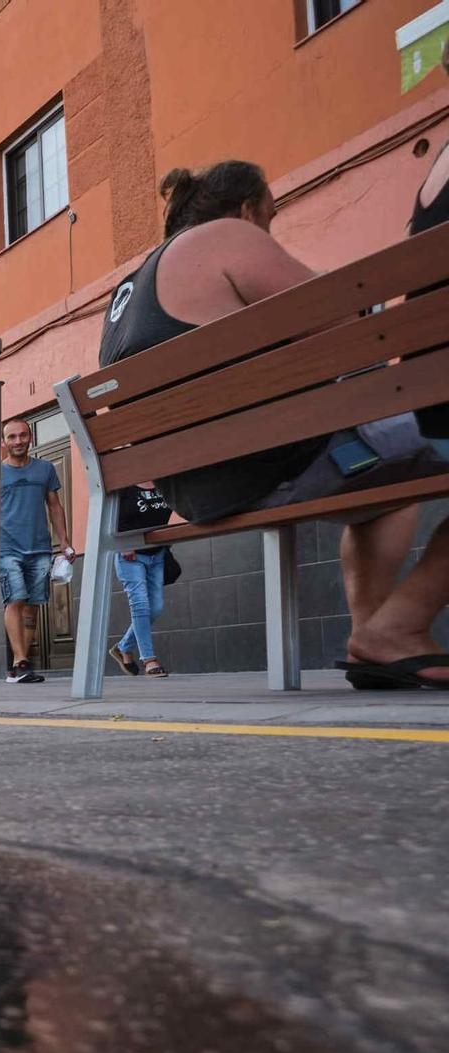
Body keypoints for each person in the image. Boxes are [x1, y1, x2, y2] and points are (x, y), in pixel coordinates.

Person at [99, 159, 449, 689]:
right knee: (407, 448)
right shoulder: (227, 237)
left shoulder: (131, 287)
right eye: (271, 216)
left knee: (390, 484)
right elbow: (350, 325)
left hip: (191, 488)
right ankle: (394, 629)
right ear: (247, 209)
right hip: (265, 467)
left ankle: (377, 641)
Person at [0, 417, 73, 684]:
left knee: (32, 607)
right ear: (4, 442)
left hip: (40, 548)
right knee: (15, 600)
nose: (18, 441)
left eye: (22, 436)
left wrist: (63, 540)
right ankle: (20, 663)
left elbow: (55, 506)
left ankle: (22, 662)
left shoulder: (45, 469)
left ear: (30, 438)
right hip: (6, 548)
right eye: (12, 437)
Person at [108, 482, 175, 678]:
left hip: (157, 554)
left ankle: (123, 647)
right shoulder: (124, 487)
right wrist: (122, 542)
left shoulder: (163, 484)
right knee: (140, 605)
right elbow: (109, 517)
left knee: (156, 608)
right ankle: (149, 660)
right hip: (130, 555)